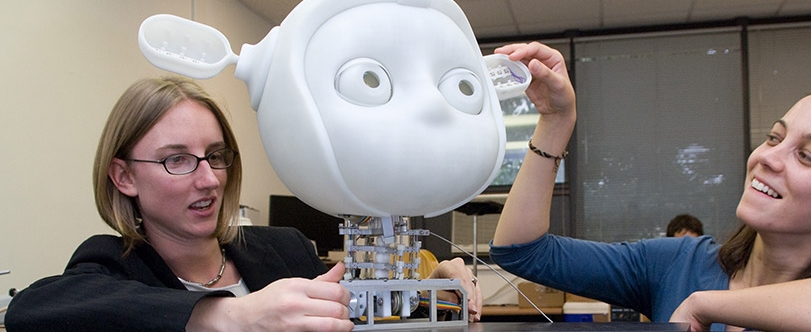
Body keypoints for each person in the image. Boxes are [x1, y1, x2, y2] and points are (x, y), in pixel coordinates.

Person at [489, 42, 811, 331]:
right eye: (775, 137)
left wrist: (709, 306)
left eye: (806, 155)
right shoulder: (677, 265)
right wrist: (555, 121)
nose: (767, 158)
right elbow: (522, 251)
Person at [4, 76, 482, 331]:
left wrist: (429, 285)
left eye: (215, 156)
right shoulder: (109, 263)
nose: (209, 179)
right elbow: (33, 309)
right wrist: (229, 315)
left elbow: (357, 313)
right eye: (177, 161)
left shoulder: (285, 249)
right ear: (124, 175)